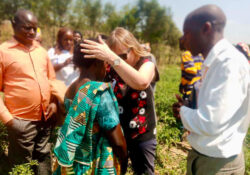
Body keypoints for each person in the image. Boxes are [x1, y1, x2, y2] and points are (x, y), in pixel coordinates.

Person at [172, 5, 250, 175]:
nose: (184, 39)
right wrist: (190, 107)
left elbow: (210, 122)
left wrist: (183, 111)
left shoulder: (228, 63)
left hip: (218, 165)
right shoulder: (214, 62)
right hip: (206, 158)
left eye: (187, 33)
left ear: (206, 28)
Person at [81, 27, 159, 175]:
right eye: (114, 56)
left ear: (134, 48)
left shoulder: (146, 63)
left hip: (142, 133)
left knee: (144, 172)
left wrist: (112, 58)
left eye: (123, 56)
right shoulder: (112, 65)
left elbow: (141, 82)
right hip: (118, 133)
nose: (119, 61)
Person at [53, 40, 127, 175]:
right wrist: (124, 162)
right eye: (106, 63)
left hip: (74, 163)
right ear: (97, 64)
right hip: (94, 164)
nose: (107, 68)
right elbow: (117, 141)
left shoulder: (70, 89)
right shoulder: (99, 92)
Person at [0, 9, 58, 175]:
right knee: (21, 166)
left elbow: (52, 80)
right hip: (20, 122)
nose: (32, 32)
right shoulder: (3, 51)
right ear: (13, 25)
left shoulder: (41, 51)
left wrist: (54, 103)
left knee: (43, 161)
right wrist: (10, 121)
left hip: (45, 119)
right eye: (27, 28)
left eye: (35, 28)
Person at [179, 37, 203, 108]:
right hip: (199, 87)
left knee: (188, 110)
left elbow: (191, 72)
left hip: (190, 89)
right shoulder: (200, 54)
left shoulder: (186, 54)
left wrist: (183, 85)